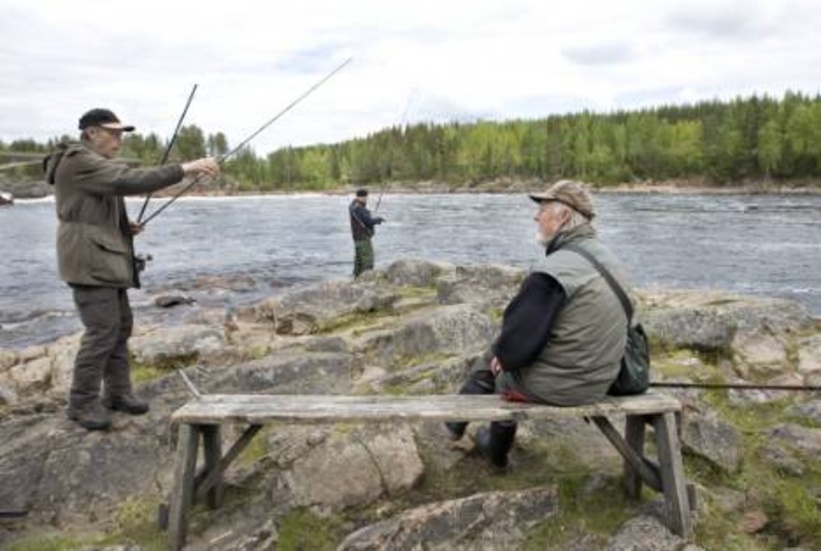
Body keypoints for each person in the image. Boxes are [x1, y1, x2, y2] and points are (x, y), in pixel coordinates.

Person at [43, 108, 220, 431]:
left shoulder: (91, 164)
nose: (119, 140)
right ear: (92, 133)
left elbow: (100, 202)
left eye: (121, 134)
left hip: (105, 257)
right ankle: (81, 404)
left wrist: (124, 224)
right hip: (89, 261)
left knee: (120, 327)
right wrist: (185, 168)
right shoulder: (77, 161)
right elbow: (126, 181)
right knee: (101, 333)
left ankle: (118, 393)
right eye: (113, 133)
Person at [446, 180, 635, 468]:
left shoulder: (553, 270)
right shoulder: (612, 260)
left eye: (543, 209)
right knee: (504, 356)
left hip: (561, 388)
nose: (536, 217)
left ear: (563, 217)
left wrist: (503, 358)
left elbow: (514, 346)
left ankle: (484, 443)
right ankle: (461, 425)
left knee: (497, 362)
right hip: (600, 382)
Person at [349, 188, 384, 277]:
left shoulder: (353, 205)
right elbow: (368, 221)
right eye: (366, 197)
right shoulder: (359, 208)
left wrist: (368, 212)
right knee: (367, 259)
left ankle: (356, 278)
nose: (366, 199)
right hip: (362, 236)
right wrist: (378, 220)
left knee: (359, 259)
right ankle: (366, 279)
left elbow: (363, 216)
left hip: (357, 236)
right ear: (363, 197)